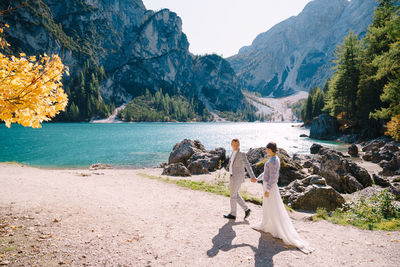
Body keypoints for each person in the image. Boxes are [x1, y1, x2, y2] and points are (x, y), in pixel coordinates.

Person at [250, 142, 313, 254]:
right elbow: (266, 173)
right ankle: (266, 224)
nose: (266, 151)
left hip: (270, 187)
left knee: (273, 207)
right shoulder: (273, 159)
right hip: (266, 185)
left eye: (267, 149)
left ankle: (276, 228)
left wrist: (268, 189)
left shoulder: (274, 160)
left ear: (271, 149)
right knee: (267, 206)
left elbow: (274, 177)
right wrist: (257, 179)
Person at [224, 139, 257, 220]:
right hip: (233, 176)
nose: (235, 146)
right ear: (231, 145)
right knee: (235, 194)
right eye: (234, 144)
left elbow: (247, 165)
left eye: (237, 144)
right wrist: (230, 174)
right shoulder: (232, 153)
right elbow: (231, 165)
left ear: (239, 145)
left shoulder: (242, 154)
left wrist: (252, 176)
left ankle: (233, 214)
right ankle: (246, 209)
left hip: (238, 177)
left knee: (232, 195)